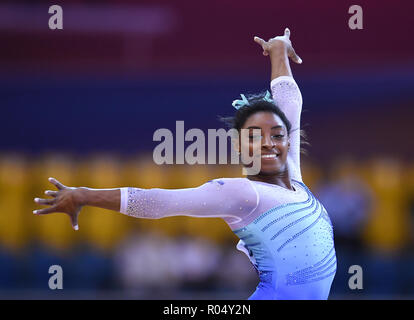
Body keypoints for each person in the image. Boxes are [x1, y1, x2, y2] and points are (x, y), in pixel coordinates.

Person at [33, 28, 336, 300]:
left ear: (288, 140)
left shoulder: (293, 175)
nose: (269, 142)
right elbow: (159, 202)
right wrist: (84, 194)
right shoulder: (245, 195)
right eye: (255, 137)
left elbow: (289, 101)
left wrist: (279, 49)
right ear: (240, 148)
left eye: (277, 135)